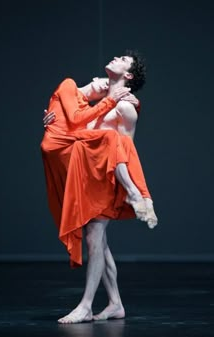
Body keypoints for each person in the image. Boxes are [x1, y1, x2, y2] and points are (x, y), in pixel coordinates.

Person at [41, 50, 157, 323]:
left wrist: (129, 189)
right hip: (88, 176)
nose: (115, 58)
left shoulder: (126, 106)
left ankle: (86, 305)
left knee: (95, 239)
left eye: (122, 61)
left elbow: (124, 147)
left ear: (128, 76)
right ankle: (116, 303)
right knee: (101, 245)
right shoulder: (101, 100)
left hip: (105, 179)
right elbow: (77, 126)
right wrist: (54, 119)